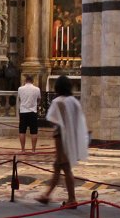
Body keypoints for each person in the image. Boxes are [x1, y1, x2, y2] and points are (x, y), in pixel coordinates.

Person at [36, 75, 88, 207]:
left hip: (60, 138)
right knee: (58, 167)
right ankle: (46, 195)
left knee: (64, 167)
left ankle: (71, 199)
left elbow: (53, 120)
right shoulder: (74, 101)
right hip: (72, 137)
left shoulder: (58, 101)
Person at [17, 75, 41, 153]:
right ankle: (33, 150)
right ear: (32, 81)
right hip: (33, 112)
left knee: (22, 131)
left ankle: (23, 149)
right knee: (34, 131)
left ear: (25, 81)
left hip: (23, 111)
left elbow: (19, 99)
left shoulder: (20, 89)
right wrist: (35, 104)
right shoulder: (37, 89)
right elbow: (39, 99)